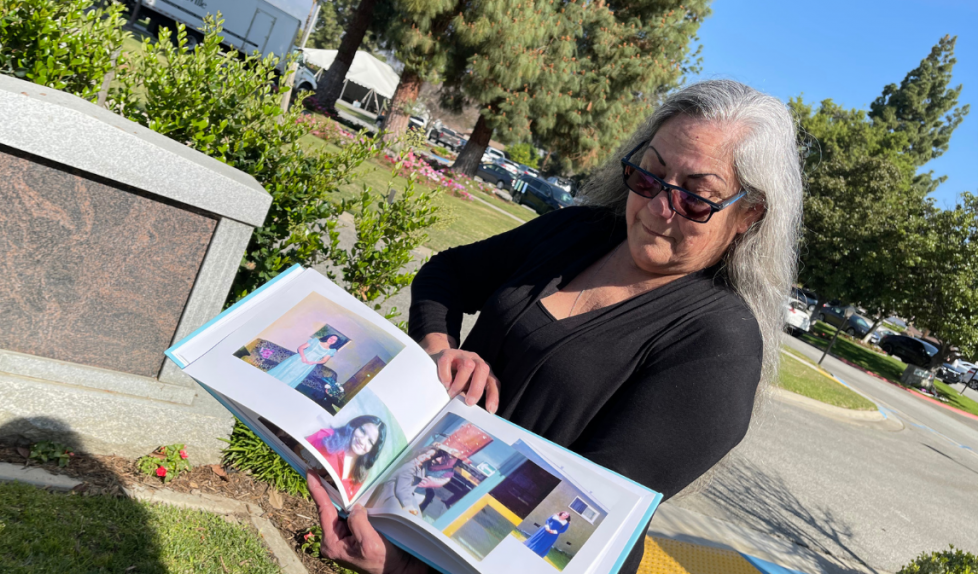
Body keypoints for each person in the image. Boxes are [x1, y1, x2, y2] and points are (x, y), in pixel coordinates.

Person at [306, 79, 803, 574]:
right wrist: (439, 348)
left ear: (748, 216)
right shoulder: (578, 231)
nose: (656, 208)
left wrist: (406, 568)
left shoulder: (721, 343)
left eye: (696, 198)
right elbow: (448, 274)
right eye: (650, 176)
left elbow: (582, 516)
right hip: (403, 518)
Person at [307, 415, 386, 498]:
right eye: (362, 431)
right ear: (355, 426)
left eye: (370, 441)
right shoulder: (327, 437)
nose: (362, 440)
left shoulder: (361, 475)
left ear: (373, 449)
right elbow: (298, 449)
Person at [367, 447, 454, 516]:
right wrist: (409, 506)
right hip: (390, 497)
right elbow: (401, 491)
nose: (427, 457)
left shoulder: (421, 467)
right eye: (426, 454)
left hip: (404, 496)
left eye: (430, 457)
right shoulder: (410, 467)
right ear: (420, 453)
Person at [270, 334, 343, 388]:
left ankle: (281, 388)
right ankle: (271, 382)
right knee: (286, 370)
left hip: (308, 365)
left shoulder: (331, 351)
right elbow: (300, 348)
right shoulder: (315, 341)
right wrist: (303, 357)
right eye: (331, 338)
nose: (332, 340)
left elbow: (324, 360)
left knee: (294, 375)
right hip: (299, 359)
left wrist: (314, 362)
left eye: (334, 340)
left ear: (336, 342)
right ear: (328, 337)